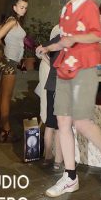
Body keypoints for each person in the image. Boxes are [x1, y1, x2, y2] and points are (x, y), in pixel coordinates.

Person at [36, 0, 101, 197]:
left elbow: (95, 35)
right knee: (63, 122)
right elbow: (64, 40)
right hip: (64, 67)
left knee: (81, 122)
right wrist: (49, 47)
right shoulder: (65, 10)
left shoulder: (89, 5)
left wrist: (74, 39)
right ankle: (70, 177)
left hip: (85, 67)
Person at [0, 0, 28, 142]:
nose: (23, 10)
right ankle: (6, 129)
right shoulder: (12, 21)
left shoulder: (15, 21)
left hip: (10, 62)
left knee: (1, 95)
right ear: (14, 7)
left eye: (25, 7)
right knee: (6, 96)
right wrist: (7, 48)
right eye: (21, 7)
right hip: (9, 62)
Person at [39, 25, 62, 170]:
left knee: (50, 123)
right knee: (60, 126)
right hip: (61, 86)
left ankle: (47, 157)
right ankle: (58, 160)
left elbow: (39, 50)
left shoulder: (56, 39)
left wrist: (49, 62)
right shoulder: (67, 40)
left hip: (51, 85)